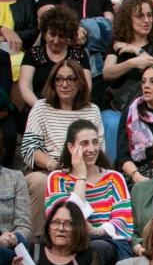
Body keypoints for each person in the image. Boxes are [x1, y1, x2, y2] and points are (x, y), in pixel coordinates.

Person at [20, 58, 102, 237]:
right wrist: (52, 164)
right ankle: (39, 245)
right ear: (53, 82)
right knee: (41, 182)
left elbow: (99, 148)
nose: (64, 84)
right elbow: (28, 149)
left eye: (70, 79)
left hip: (84, 169)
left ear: (80, 82)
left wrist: (78, 169)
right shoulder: (41, 107)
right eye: (59, 79)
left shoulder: (92, 110)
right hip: (47, 170)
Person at [45, 119, 132, 265]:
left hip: (106, 243)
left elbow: (123, 222)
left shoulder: (114, 178)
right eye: (84, 143)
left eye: (95, 142)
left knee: (95, 248)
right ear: (71, 147)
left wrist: (95, 231)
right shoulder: (57, 178)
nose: (91, 149)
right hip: (67, 241)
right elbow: (64, 219)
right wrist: (81, 177)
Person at [100, 0, 153, 158]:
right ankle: (116, 174)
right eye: (140, 16)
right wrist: (131, 63)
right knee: (111, 122)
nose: (146, 20)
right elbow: (107, 73)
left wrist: (137, 51)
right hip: (119, 105)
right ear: (128, 19)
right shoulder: (116, 41)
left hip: (150, 105)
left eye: (149, 15)